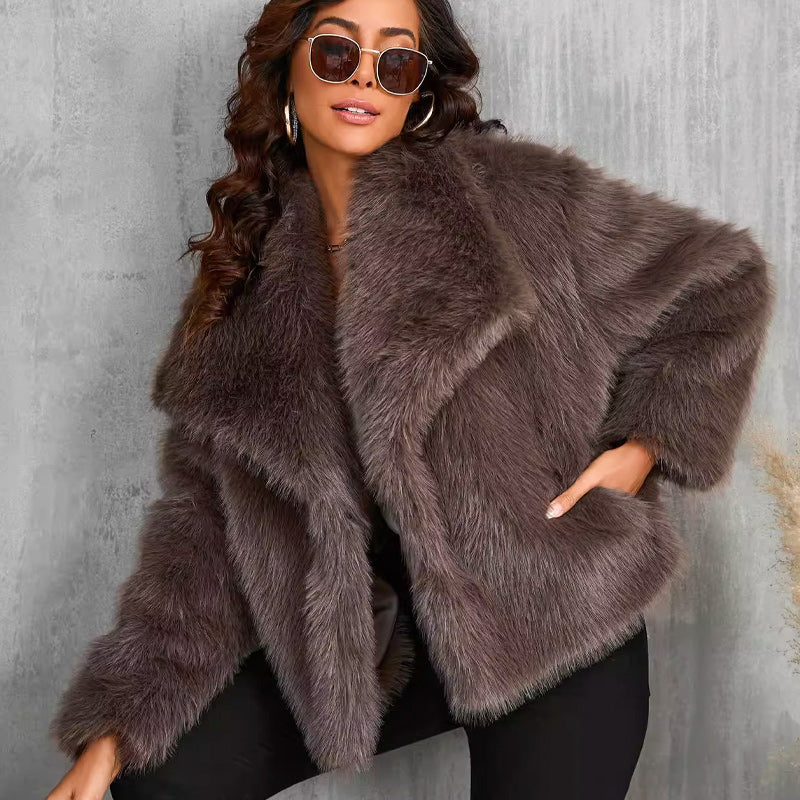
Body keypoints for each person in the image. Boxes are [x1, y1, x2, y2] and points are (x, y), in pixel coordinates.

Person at [45, 0, 775, 798]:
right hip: (382, 642)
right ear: (287, 70)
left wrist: (642, 449)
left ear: (416, 91)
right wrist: (115, 731)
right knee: (161, 778)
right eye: (336, 53)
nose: (364, 77)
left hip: (555, 617)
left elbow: (724, 279)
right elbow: (202, 540)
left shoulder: (513, 200)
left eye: (395, 61)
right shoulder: (242, 300)